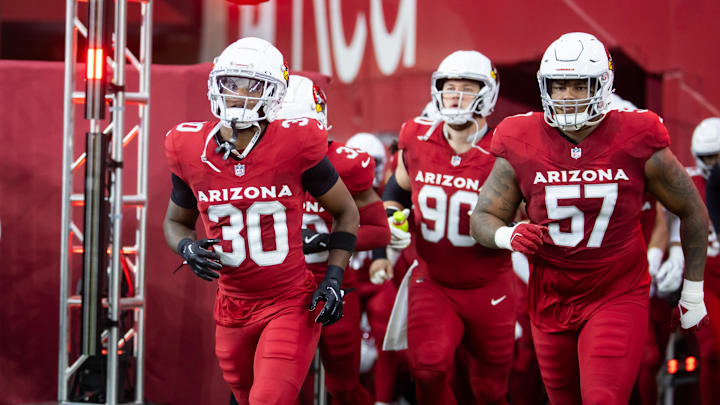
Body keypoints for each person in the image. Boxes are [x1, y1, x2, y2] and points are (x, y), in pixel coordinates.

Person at [469, 32, 710, 405]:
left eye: (578, 85)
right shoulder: (520, 137)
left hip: (615, 292)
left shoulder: (635, 133)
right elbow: (483, 216)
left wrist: (693, 290)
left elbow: (692, 209)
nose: (566, 96)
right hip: (550, 297)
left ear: (602, 84)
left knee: (603, 398)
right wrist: (508, 235)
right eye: (559, 85)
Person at [162, 37, 359, 405]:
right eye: (230, 83)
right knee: (244, 396)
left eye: (252, 85)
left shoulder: (296, 142)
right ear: (214, 85)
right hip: (231, 306)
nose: (238, 94)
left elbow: (347, 212)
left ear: (275, 92)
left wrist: (333, 277)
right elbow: (175, 222)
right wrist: (187, 246)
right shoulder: (187, 147)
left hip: (289, 301)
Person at [381, 50, 516, 404]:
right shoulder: (415, 135)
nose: (455, 97)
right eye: (449, 87)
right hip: (434, 279)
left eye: (466, 89)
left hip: (490, 284)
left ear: (487, 95)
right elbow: (398, 187)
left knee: (490, 390)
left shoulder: (506, 149)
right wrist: (392, 214)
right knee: (427, 369)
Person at [277, 74, 389, 405]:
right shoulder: (253, 164)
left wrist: (325, 241)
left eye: (299, 128)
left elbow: (379, 231)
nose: (291, 139)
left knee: (343, 387)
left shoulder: (345, 164)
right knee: (277, 388)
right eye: (282, 128)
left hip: (332, 281)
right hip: (275, 289)